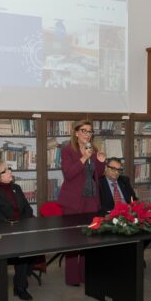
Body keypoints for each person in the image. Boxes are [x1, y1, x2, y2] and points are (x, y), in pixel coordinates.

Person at [57, 120, 106, 285]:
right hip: (73, 202)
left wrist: (100, 161)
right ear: (76, 133)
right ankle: (72, 278)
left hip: (91, 200)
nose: (87, 134)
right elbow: (69, 174)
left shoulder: (94, 149)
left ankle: (85, 275)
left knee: (88, 240)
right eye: (84, 131)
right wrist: (84, 158)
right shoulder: (67, 151)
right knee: (72, 241)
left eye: (90, 131)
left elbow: (98, 175)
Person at [0, 160, 38, 301]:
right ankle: (20, 286)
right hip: (3, 233)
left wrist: (21, 223)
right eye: (6, 171)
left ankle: (20, 287)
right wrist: (11, 224)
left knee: (30, 248)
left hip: (21, 230)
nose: (10, 172)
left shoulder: (17, 188)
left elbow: (28, 209)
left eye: (9, 169)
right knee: (20, 250)